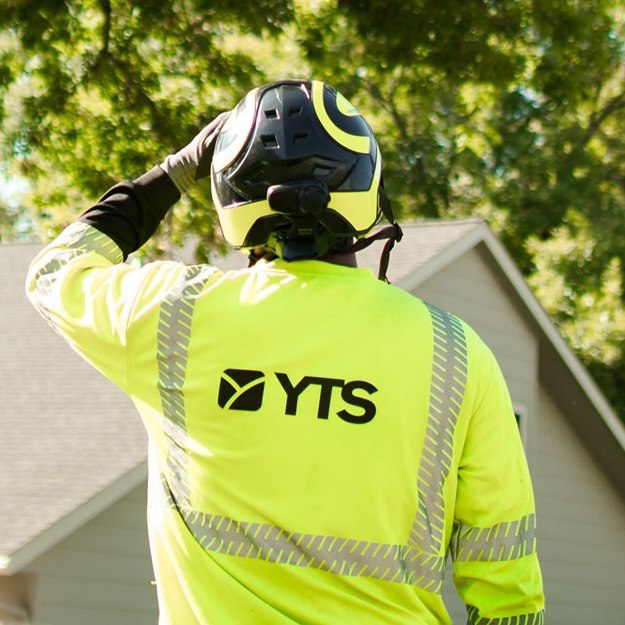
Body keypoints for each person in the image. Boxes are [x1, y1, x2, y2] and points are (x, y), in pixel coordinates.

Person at [26, 79, 544, 625]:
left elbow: (55, 271)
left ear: (232, 199)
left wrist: (176, 171)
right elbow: (508, 587)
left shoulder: (172, 315)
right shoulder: (457, 353)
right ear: (366, 190)